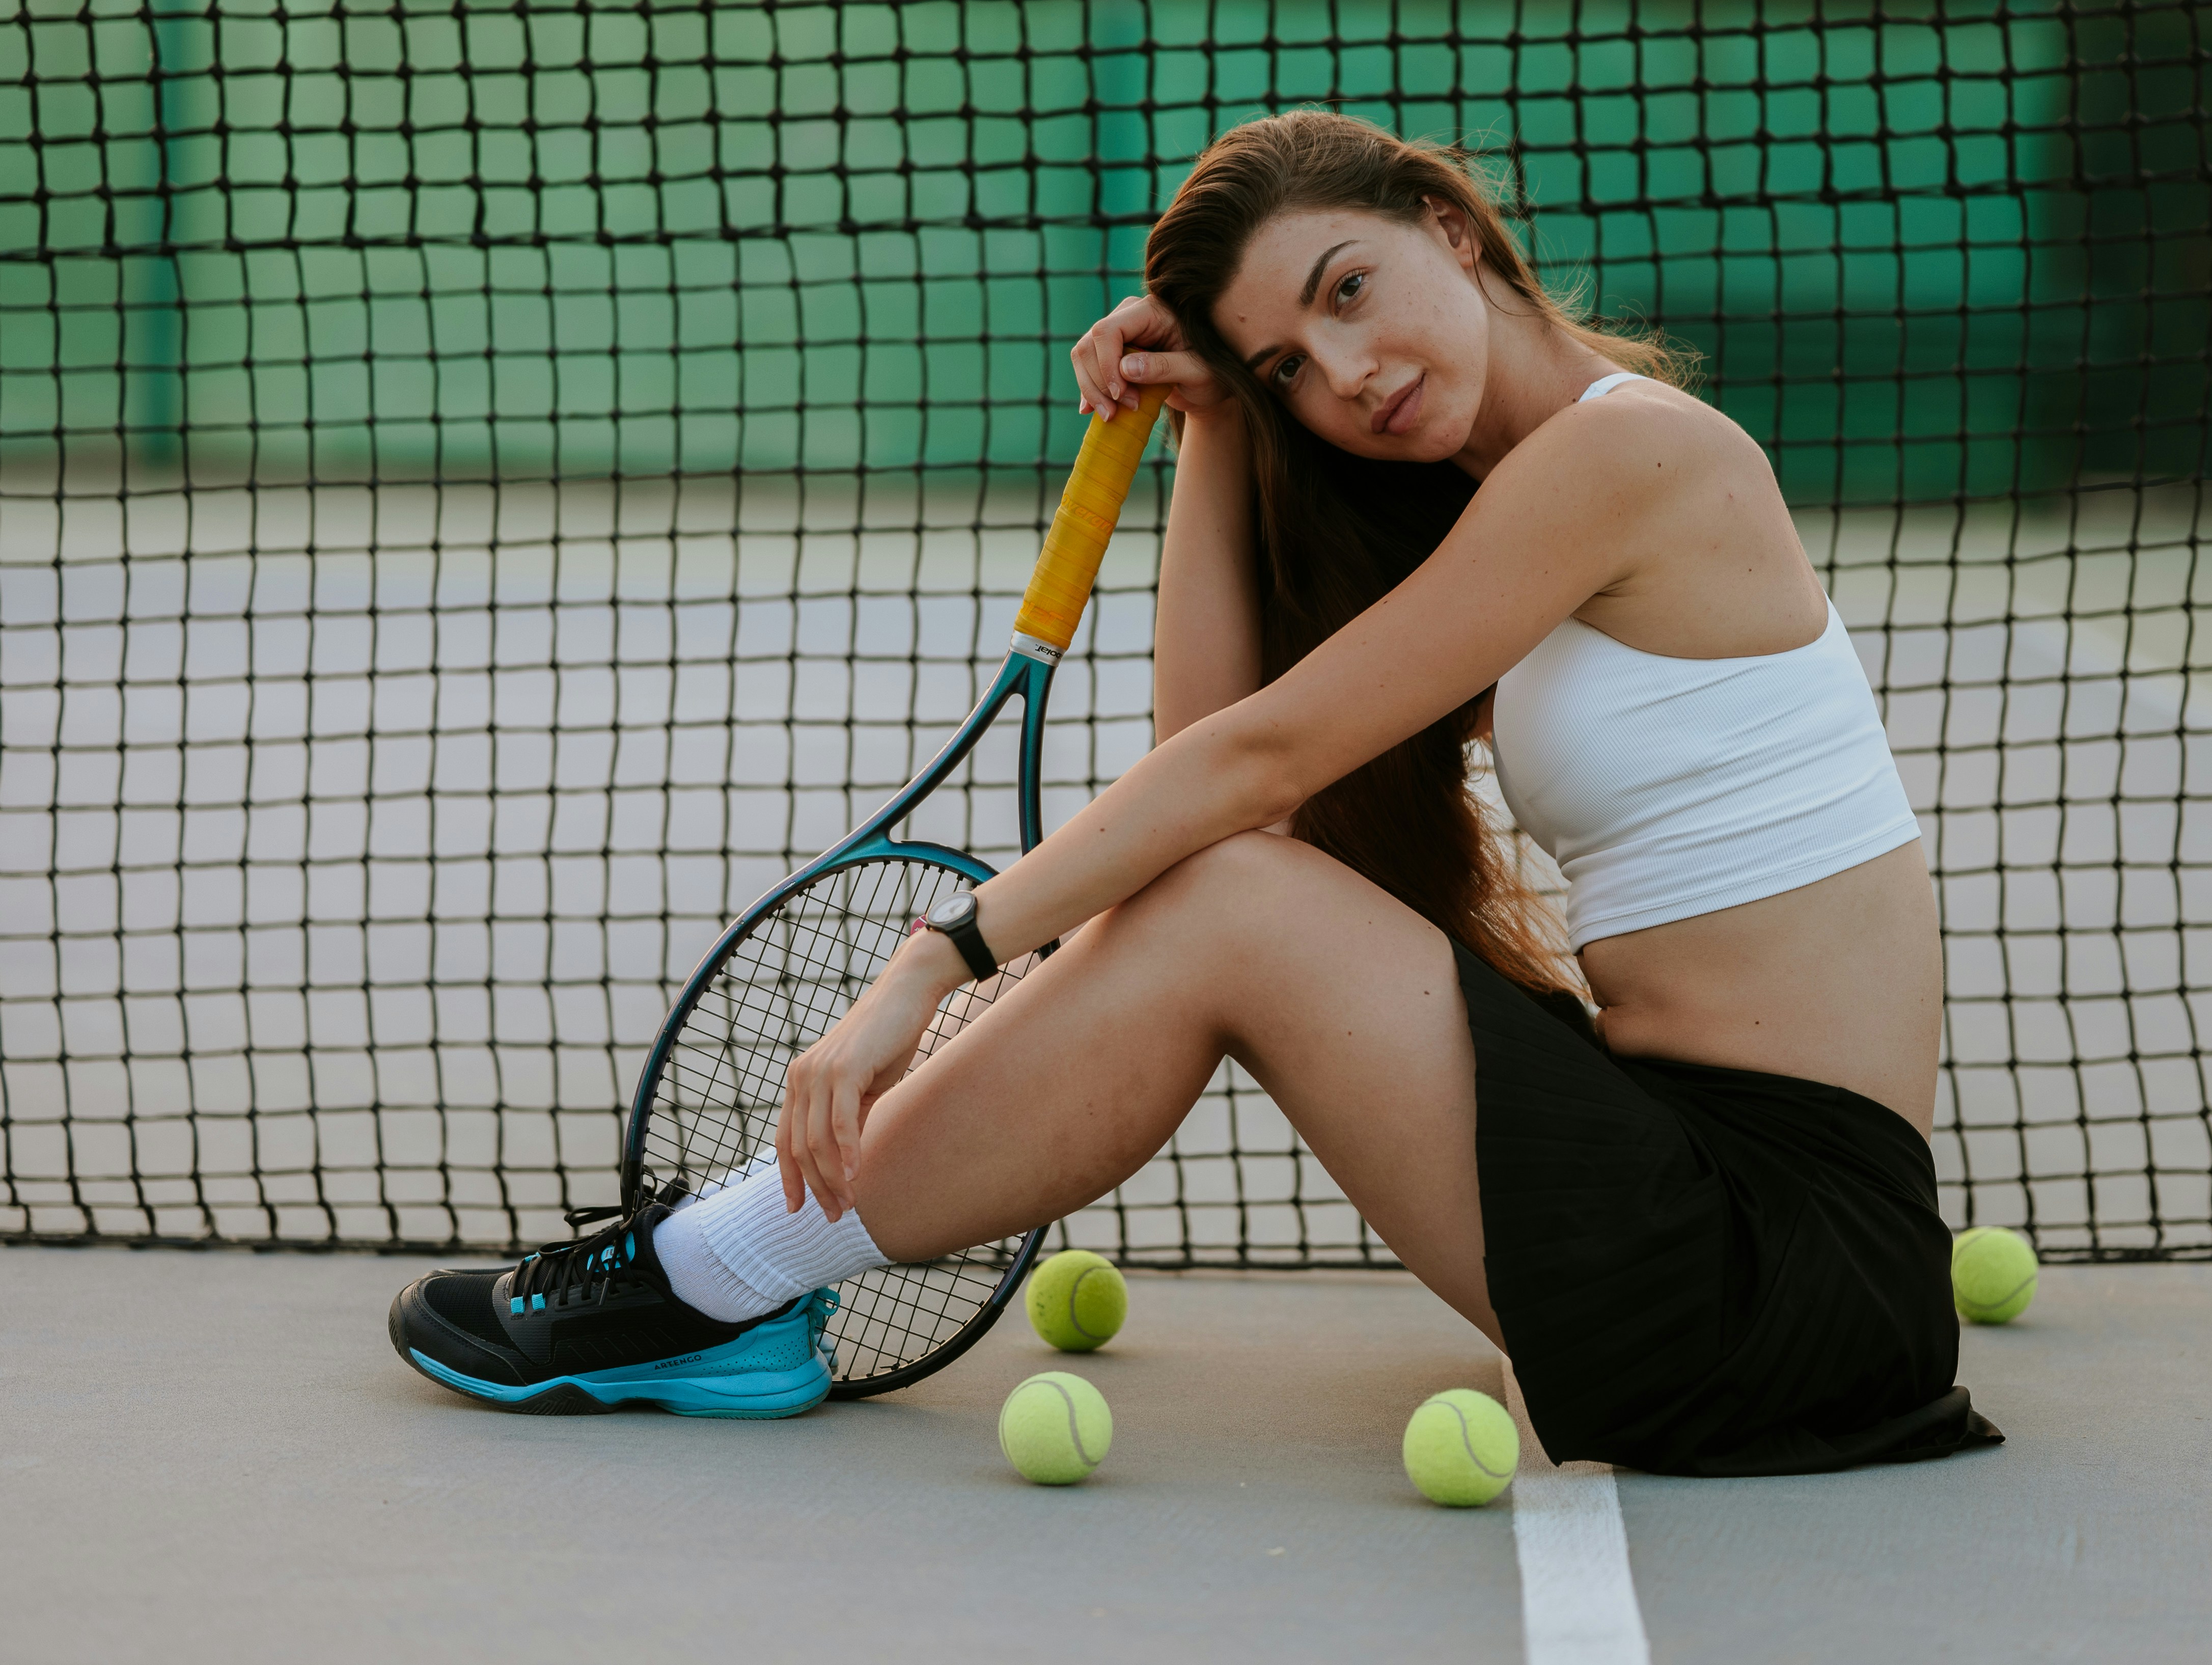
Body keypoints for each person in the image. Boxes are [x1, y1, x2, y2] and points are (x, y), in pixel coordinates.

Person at [389, 110, 2000, 1473]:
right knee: (1223, 879)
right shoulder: (1496, 498)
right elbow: (1215, 756)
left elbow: (1243, 775)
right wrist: (1216, 422)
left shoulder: (1630, 455)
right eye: (1298, 362)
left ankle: (711, 1274)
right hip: (1692, 1182)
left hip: (1785, 1267)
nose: (1351, 370)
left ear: (1452, 227)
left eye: (1352, 289)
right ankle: (729, 1275)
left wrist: (934, 960)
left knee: (1229, 886)